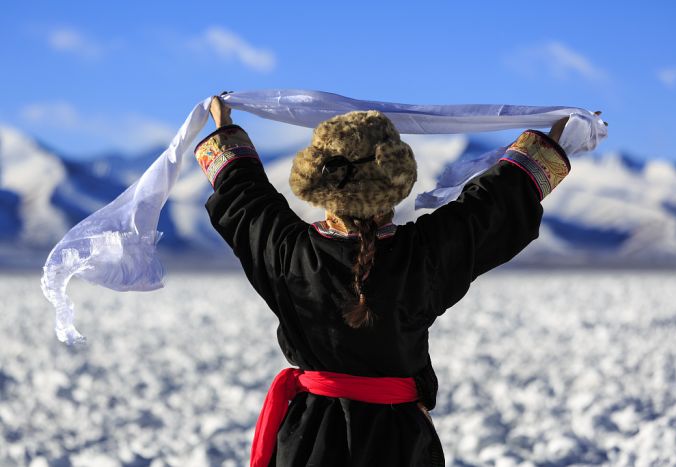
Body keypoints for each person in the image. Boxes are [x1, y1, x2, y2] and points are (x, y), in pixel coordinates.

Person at [195, 95, 598, 466]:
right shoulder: (423, 254)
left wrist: (224, 125)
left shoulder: (288, 253)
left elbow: (244, 198)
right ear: (394, 182)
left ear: (321, 186)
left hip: (307, 442)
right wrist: (552, 140)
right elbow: (492, 207)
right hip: (399, 443)